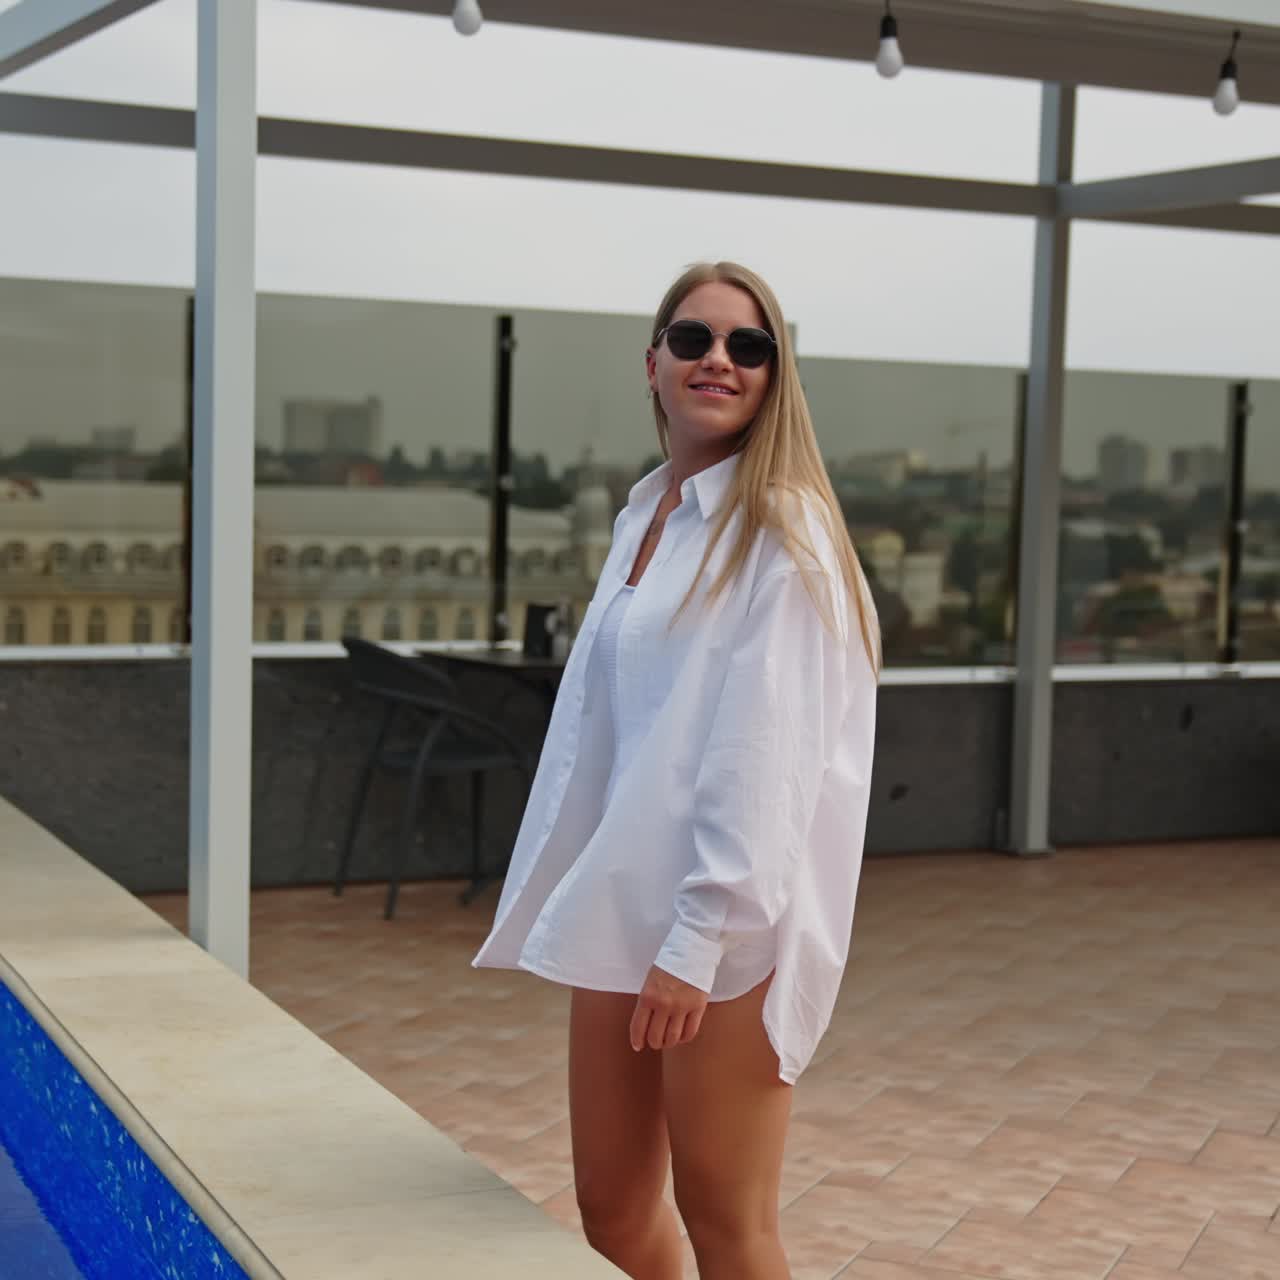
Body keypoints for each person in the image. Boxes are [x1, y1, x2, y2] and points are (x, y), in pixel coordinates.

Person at [473, 261, 880, 1279]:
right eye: (693, 338)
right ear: (650, 361)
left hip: (725, 926)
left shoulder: (782, 536)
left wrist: (700, 933)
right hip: (622, 901)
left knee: (726, 1221)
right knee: (610, 1207)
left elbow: (766, 756)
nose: (717, 360)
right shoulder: (647, 512)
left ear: (774, 375)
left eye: (748, 346)